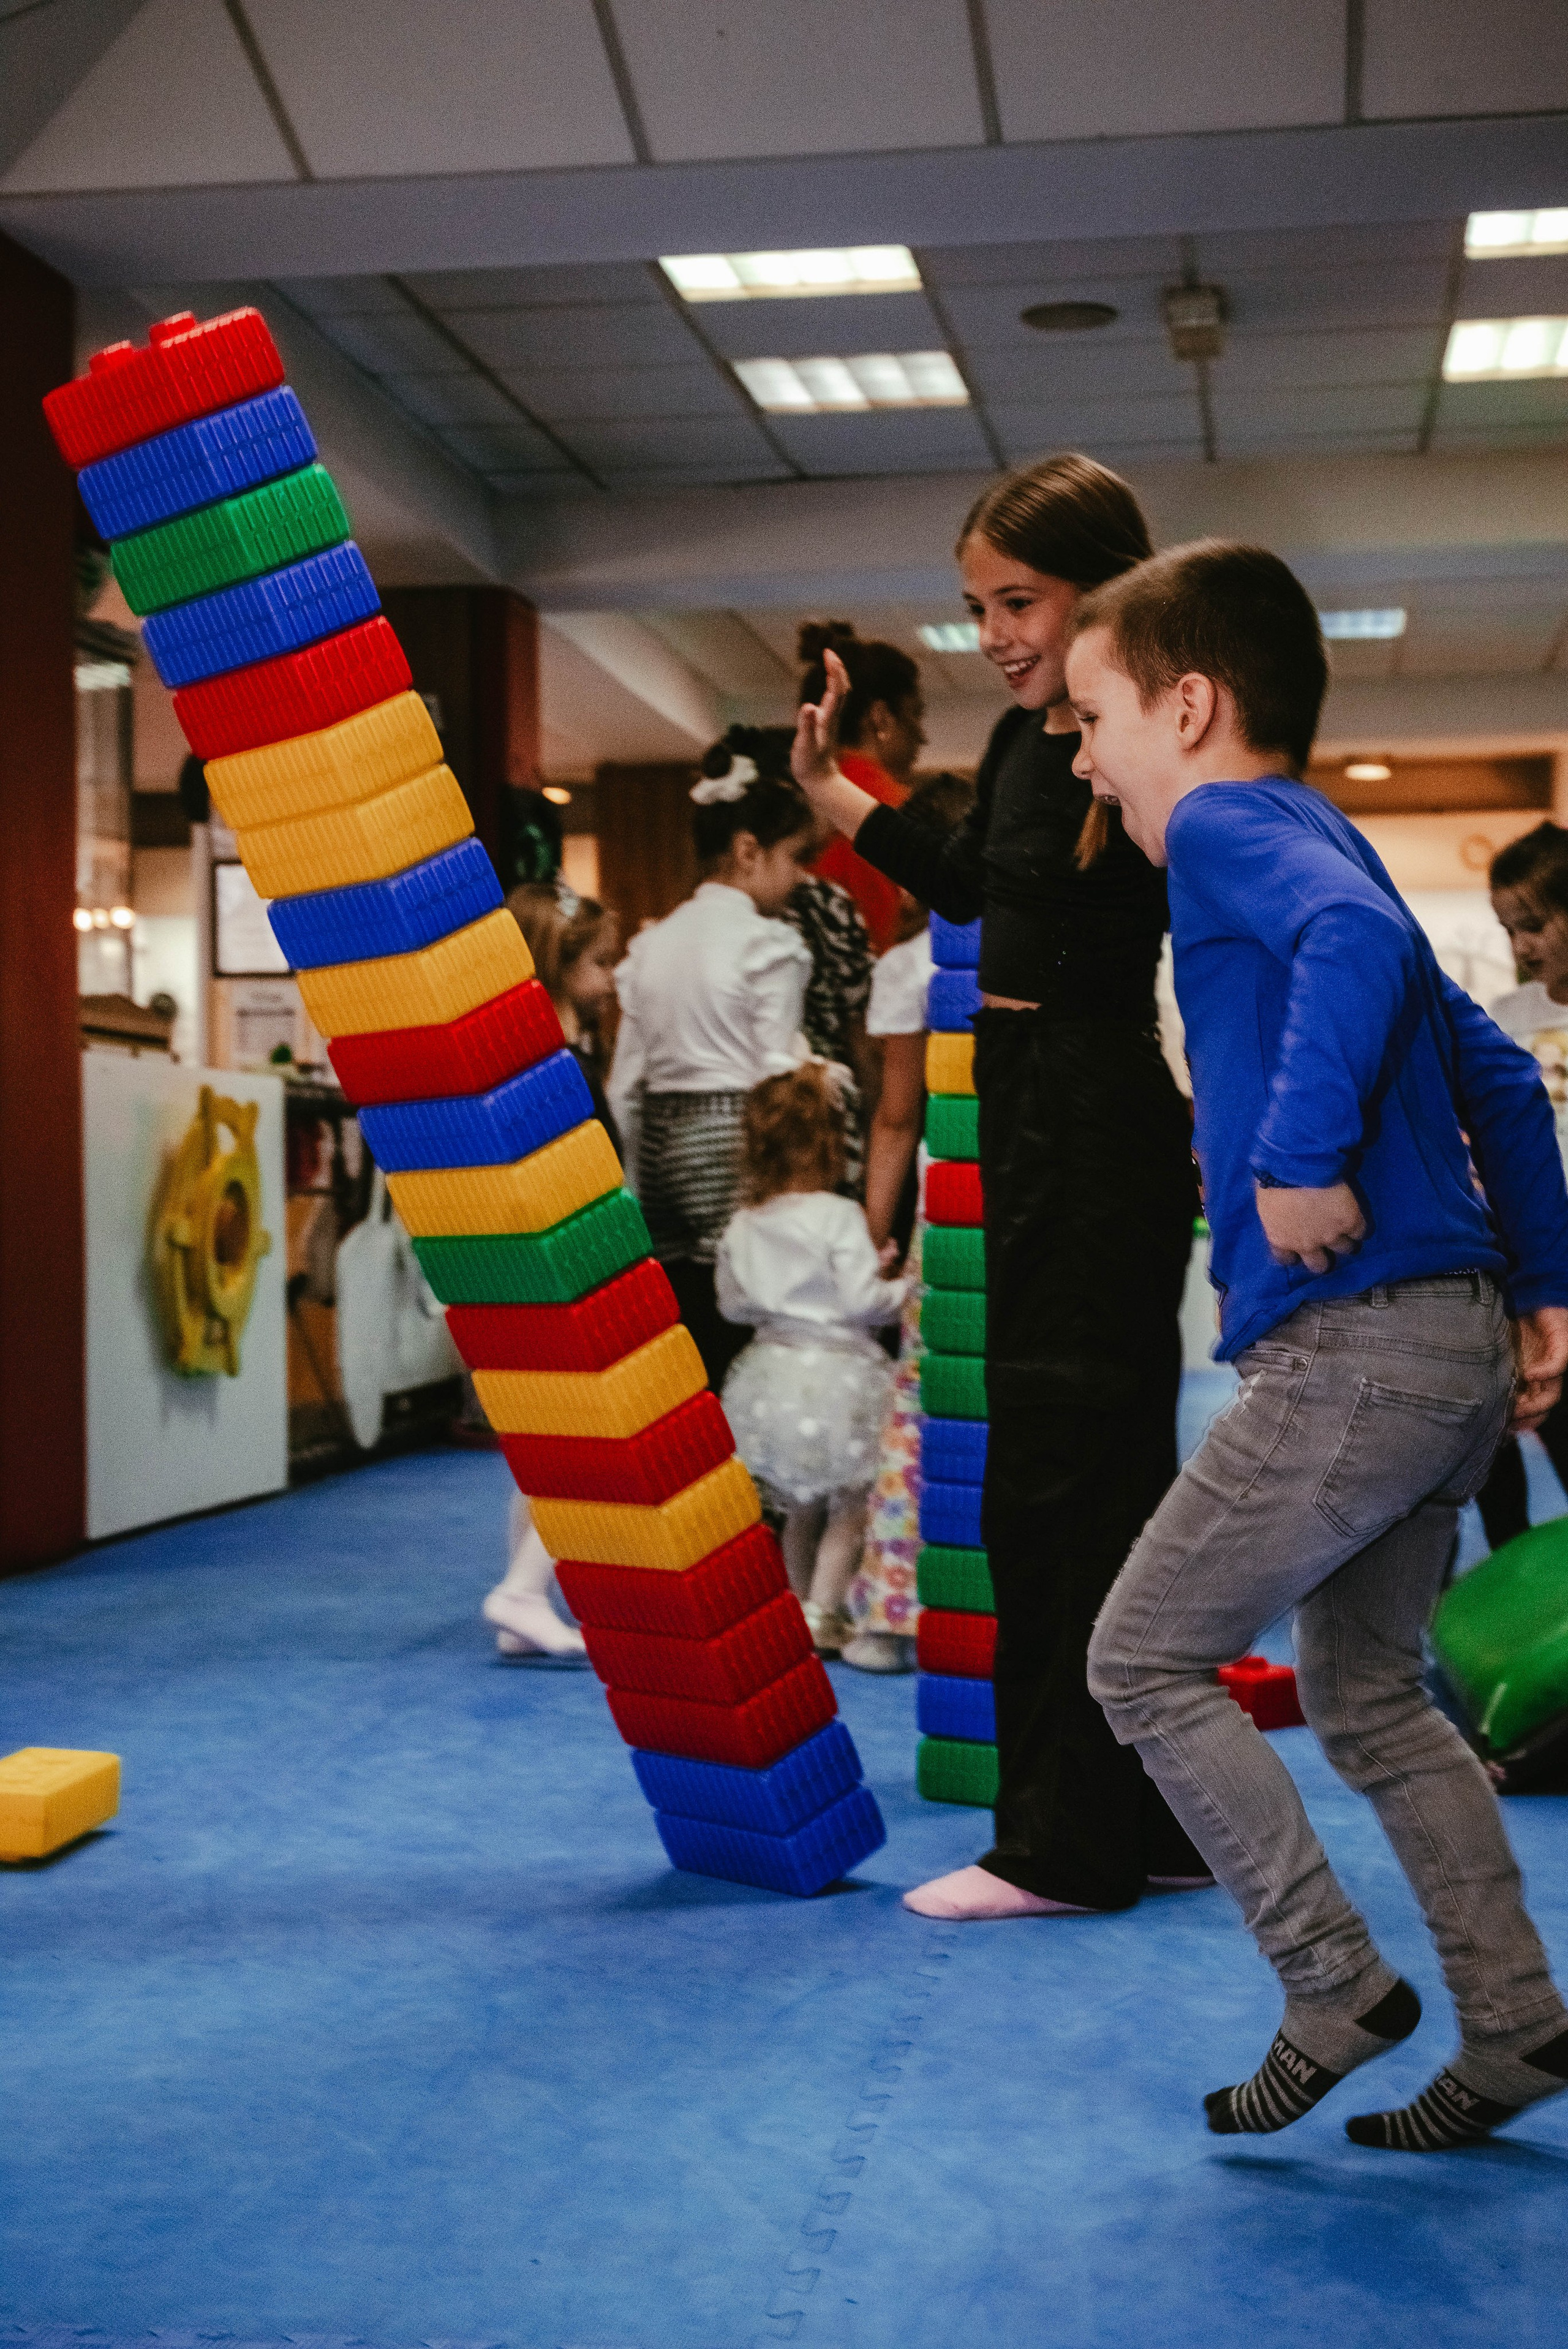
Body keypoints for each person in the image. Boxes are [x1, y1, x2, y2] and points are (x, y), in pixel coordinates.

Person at [1068, 538, 1568, 2152]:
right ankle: (1516, 2027)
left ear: (1192, 705)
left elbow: (1353, 952)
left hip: (1355, 1348)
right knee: (1365, 1696)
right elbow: (1494, 1072)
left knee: (1137, 1656)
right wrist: (1546, 1279)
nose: (1079, 754)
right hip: (1450, 1346)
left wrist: (1294, 1161)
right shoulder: (1317, 830)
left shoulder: (1223, 828)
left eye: (1092, 715)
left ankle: (1328, 1978)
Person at [792, 454, 1207, 1921]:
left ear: (1102, 591)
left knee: (1063, 1474)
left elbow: (1206, 924)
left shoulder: (1144, 743)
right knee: (1067, 1469)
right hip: (1031, 1106)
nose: (992, 632)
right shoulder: (1039, 740)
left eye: (1015, 600)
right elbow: (972, 885)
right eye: (975, 605)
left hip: (1092, 1113)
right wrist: (839, 795)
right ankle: (1140, 1815)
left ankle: (1063, 1844)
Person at [608, 760, 816, 1387]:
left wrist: (634, 1180)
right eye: (796, 856)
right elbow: (777, 1071)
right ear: (748, 850)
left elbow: (625, 1082)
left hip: (659, 1134)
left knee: (683, 1311)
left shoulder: (650, 944)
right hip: (734, 1130)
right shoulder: (769, 944)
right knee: (746, 1306)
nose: (801, 876)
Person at [843, 772, 979, 1675]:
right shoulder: (1030, 939)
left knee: (930, 1405)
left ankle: (897, 1610)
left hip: (948, 1210)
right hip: (1026, 1198)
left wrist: (872, 1229)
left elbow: (896, 1117)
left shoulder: (906, 965)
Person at [716, 1065, 908, 1654]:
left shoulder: (744, 1222)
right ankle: (823, 1612)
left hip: (770, 1375)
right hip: (839, 1378)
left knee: (798, 1507)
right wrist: (905, 1283)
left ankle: (798, 1609)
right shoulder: (839, 1216)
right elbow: (864, 1303)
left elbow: (732, 1305)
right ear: (833, 1142)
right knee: (852, 1505)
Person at [480, 882, 623, 1661]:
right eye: (601, 962)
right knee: (586, 1445)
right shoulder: (552, 1062)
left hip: (537, 1264)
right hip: (564, 1263)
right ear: (560, 964)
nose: (614, 975)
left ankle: (518, 1602)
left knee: (545, 1445)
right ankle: (524, 1590)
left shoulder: (546, 1054)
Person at [1474, 820, 1568, 1546]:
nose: (1520, 947)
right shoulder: (1505, 1020)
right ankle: (1509, 1576)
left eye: (1533, 925)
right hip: (1526, 1256)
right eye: (1509, 930)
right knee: (1495, 1430)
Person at [797, 621, 926, 954]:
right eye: (915, 715)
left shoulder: (792, 802)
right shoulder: (899, 810)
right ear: (880, 717)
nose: (922, 736)